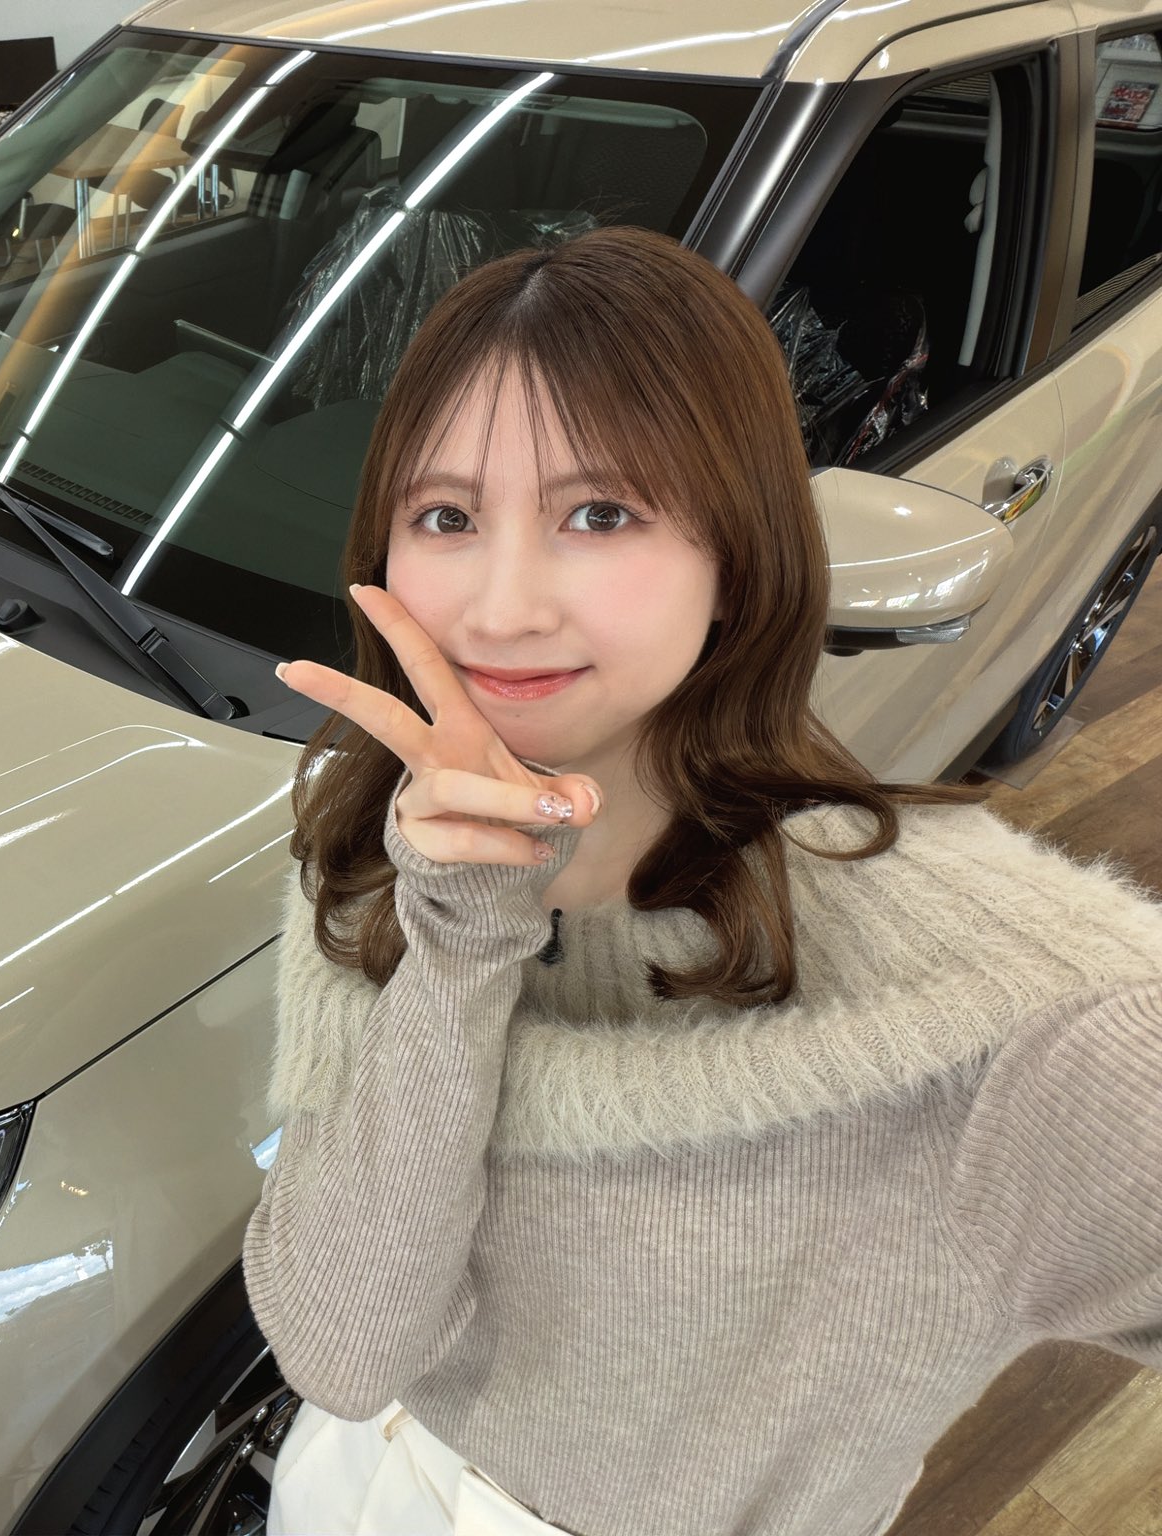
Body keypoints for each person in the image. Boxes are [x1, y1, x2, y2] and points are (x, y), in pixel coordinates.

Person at [244, 224, 1162, 1536]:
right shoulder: (372, 829)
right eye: (446, 516)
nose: (501, 608)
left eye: (600, 513)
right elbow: (343, 1349)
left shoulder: (1000, 1007)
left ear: (738, 554)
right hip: (355, 1483)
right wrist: (458, 936)